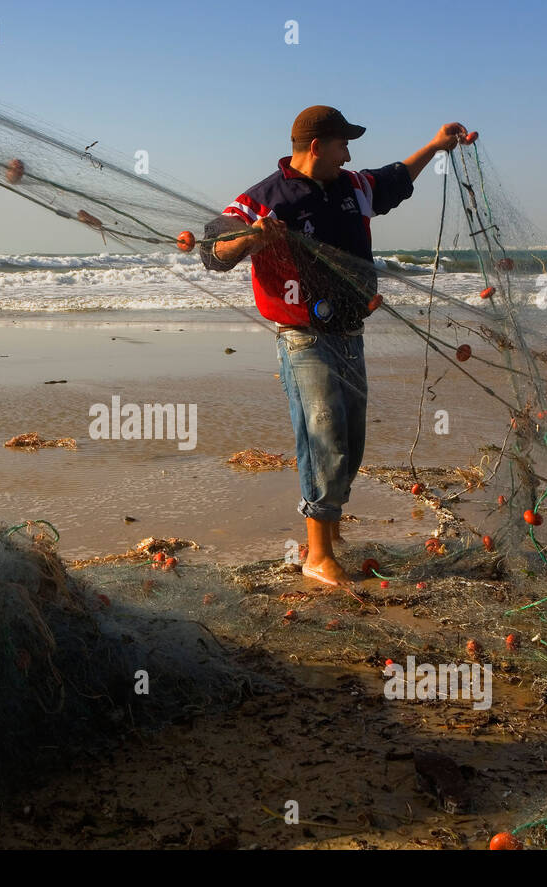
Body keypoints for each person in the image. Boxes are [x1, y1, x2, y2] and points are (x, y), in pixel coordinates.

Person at [201, 106, 467, 585]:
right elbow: (212, 251)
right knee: (323, 434)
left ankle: (329, 534)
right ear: (317, 146)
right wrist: (252, 240)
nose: (350, 153)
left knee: (350, 441)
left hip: (349, 333)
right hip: (302, 337)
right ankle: (317, 556)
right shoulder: (262, 199)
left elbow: (395, 179)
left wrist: (435, 144)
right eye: (344, 143)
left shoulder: (353, 189)